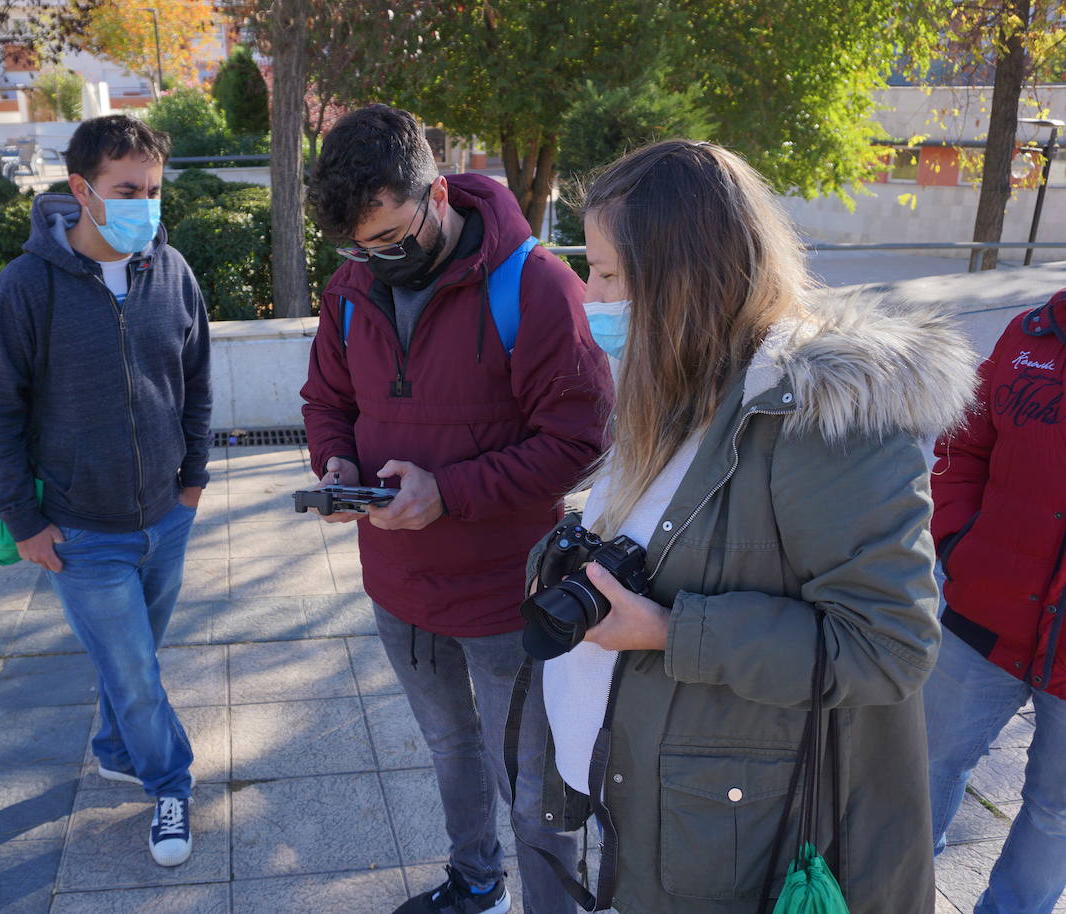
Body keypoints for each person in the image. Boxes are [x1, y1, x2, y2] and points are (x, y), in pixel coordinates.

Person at [539, 140, 979, 914]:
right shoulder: (682, 388)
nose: (586, 292)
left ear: (682, 285)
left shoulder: (822, 422)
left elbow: (892, 645)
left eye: (607, 273)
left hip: (743, 846)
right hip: (668, 814)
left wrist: (673, 632)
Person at [301, 104, 613, 914]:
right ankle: (475, 880)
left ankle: (553, 904)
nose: (377, 260)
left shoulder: (535, 284)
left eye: (393, 239)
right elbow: (325, 399)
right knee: (447, 746)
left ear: (439, 193)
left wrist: (449, 493)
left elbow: (581, 438)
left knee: (533, 781)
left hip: (506, 594)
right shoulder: (349, 287)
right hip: (398, 589)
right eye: (359, 247)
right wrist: (335, 463)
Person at [0, 114, 211, 868]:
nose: (145, 203)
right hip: (80, 532)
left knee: (133, 658)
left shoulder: (170, 272)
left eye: (153, 189)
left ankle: (113, 746)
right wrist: (26, 522)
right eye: (127, 189)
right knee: (136, 668)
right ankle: (170, 784)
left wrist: (193, 480)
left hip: (164, 519)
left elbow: (196, 381)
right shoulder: (27, 286)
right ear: (82, 190)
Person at [924, 289, 1066, 914]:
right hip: (982, 620)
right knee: (921, 766)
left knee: (1056, 815)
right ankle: (886, 896)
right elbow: (963, 446)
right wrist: (958, 544)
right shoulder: (1031, 334)